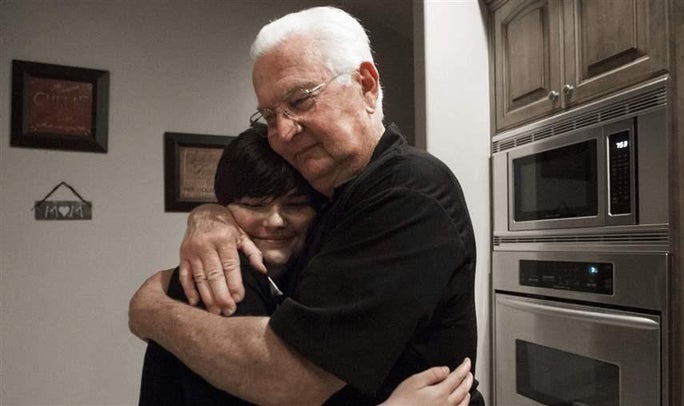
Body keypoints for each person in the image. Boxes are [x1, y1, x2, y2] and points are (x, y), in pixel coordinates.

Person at [129, 6, 483, 405]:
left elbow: (287, 376)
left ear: (366, 85)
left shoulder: (407, 192)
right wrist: (210, 216)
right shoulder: (335, 198)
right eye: (268, 114)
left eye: (300, 100)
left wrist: (150, 311)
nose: (281, 132)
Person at [138, 125, 474, 405]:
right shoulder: (224, 278)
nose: (275, 220)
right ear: (227, 211)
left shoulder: (310, 269)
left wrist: (205, 217)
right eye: (254, 206)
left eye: (296, 205)